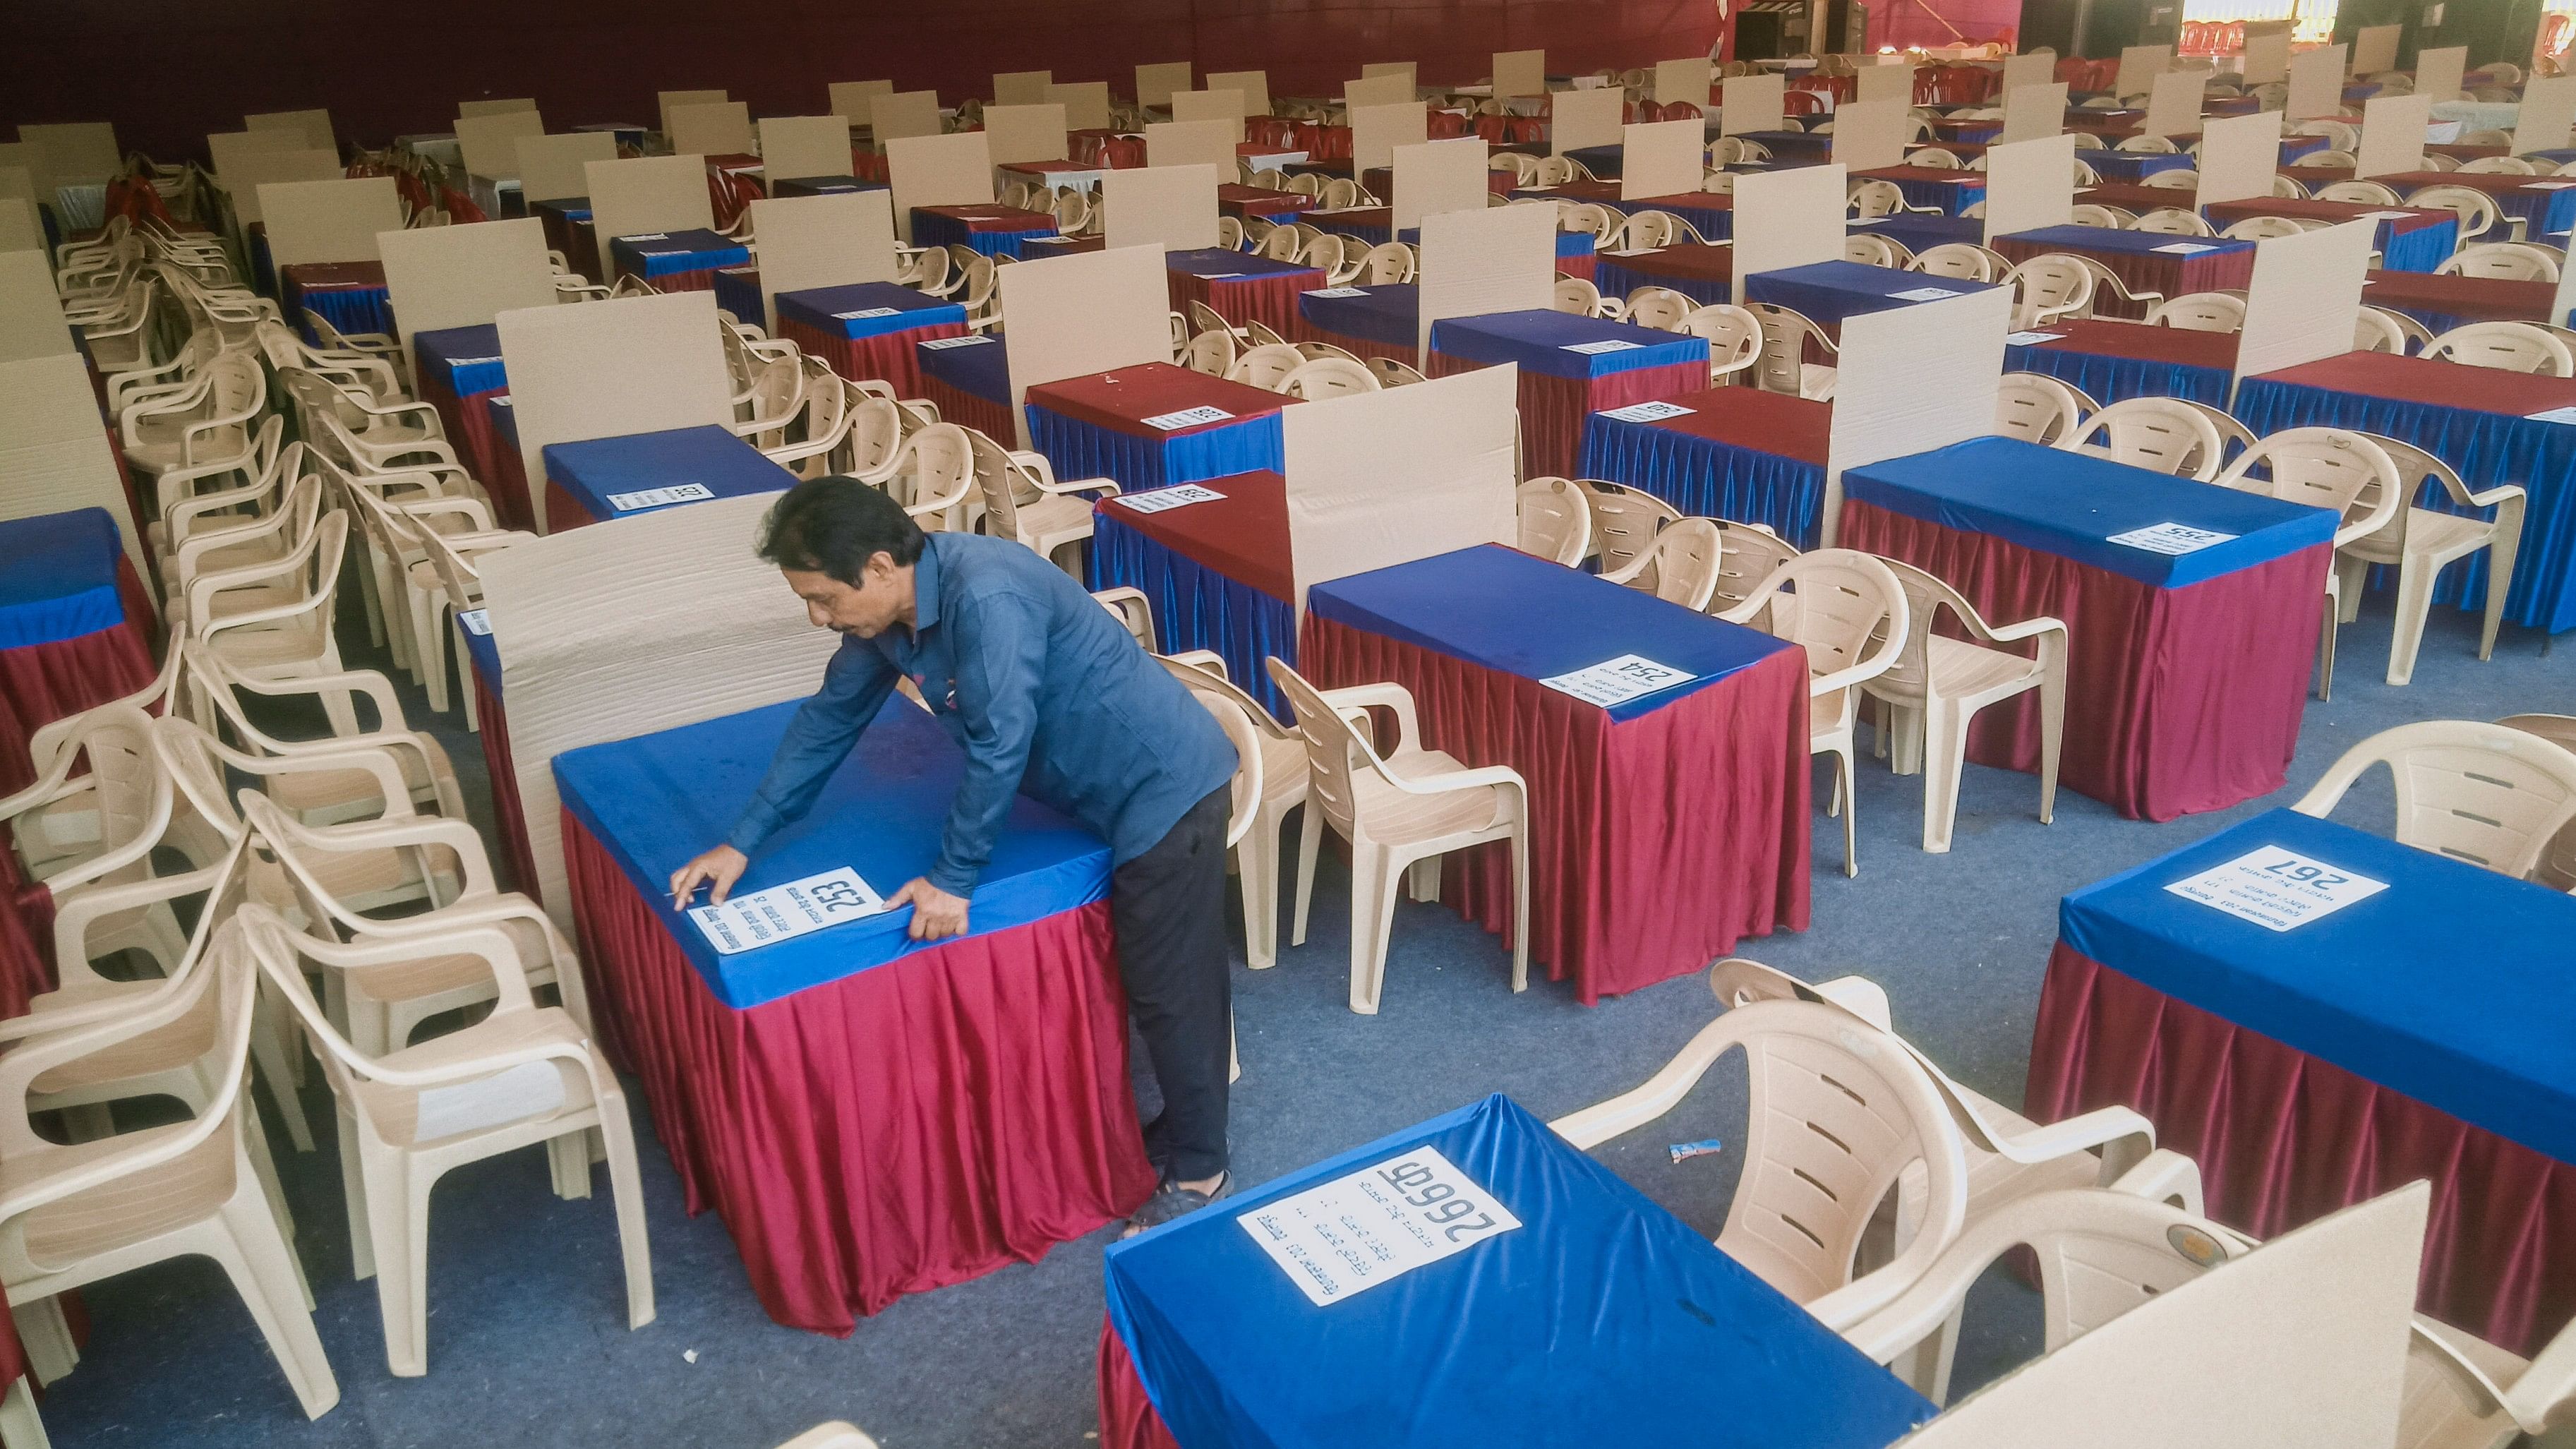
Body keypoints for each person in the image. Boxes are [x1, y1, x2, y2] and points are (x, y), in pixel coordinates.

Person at [668, 479, 1241, 1231]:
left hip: (1163, 788)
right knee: (1160, 978)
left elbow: (1001, 742)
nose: (817, 618)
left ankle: (1202, 1171)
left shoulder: (986, 595)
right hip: (1092, 786)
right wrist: (742, 839)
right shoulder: (888, 622)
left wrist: (952, 878)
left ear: (877, 567)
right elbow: (827, 722)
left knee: (1168, 985)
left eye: (822, 599)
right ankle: (1187, 1120)